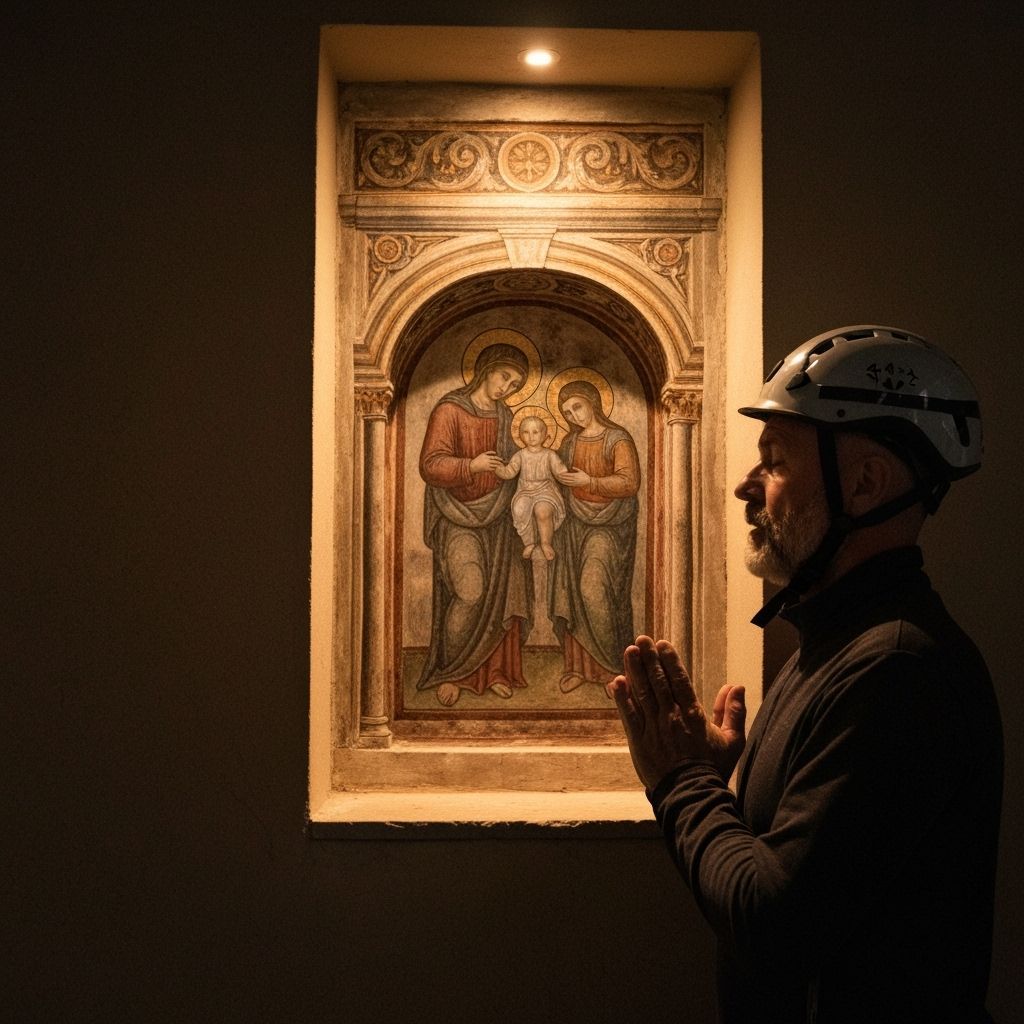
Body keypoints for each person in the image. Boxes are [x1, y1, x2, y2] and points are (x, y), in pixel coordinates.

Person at [608, 326, 1003, 1023]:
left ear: (865, 483)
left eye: (776, 461)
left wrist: (682, 782)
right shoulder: (837, 647)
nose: (745, 486)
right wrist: (716, 781)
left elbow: (773, 926)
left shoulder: (895, 668)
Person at [417, 342, 532, 707]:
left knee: (503, 598)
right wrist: (472, 466)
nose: (506, 388)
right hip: (458, 515)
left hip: (498, 517)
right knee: (470, 592)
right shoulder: (450, 409)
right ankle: (452, 670)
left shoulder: (506, 416)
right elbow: (431, 465)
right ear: (486, 369)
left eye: (514, 385)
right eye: (504, 377)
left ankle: (493, 672)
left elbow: (513, 465)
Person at [548, 379, 641, 694]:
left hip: (608, 527)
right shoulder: (569, 443)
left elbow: (629, 483)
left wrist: (589, 480)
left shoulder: (617, 439)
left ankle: (611, 668)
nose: (573, 415)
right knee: (571, 593)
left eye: (577, 407)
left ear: (592, 402)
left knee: (594, 590)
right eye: (567, 412)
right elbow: (559, 478)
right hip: (574, 527)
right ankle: (578, 668)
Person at [494, 414, 569, 561]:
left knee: (543, 510)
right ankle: (529, 542)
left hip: (546, 490)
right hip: (525, 491)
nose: (531, 436)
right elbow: (509, 472)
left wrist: (567, 477)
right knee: (519, 509)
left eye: (536, 432)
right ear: (520, 436)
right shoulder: (520, 455)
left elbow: (560, 472)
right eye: (526, 432)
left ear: (545, 435)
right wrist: (497, 468)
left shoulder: (550, 455)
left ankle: (546, 543)